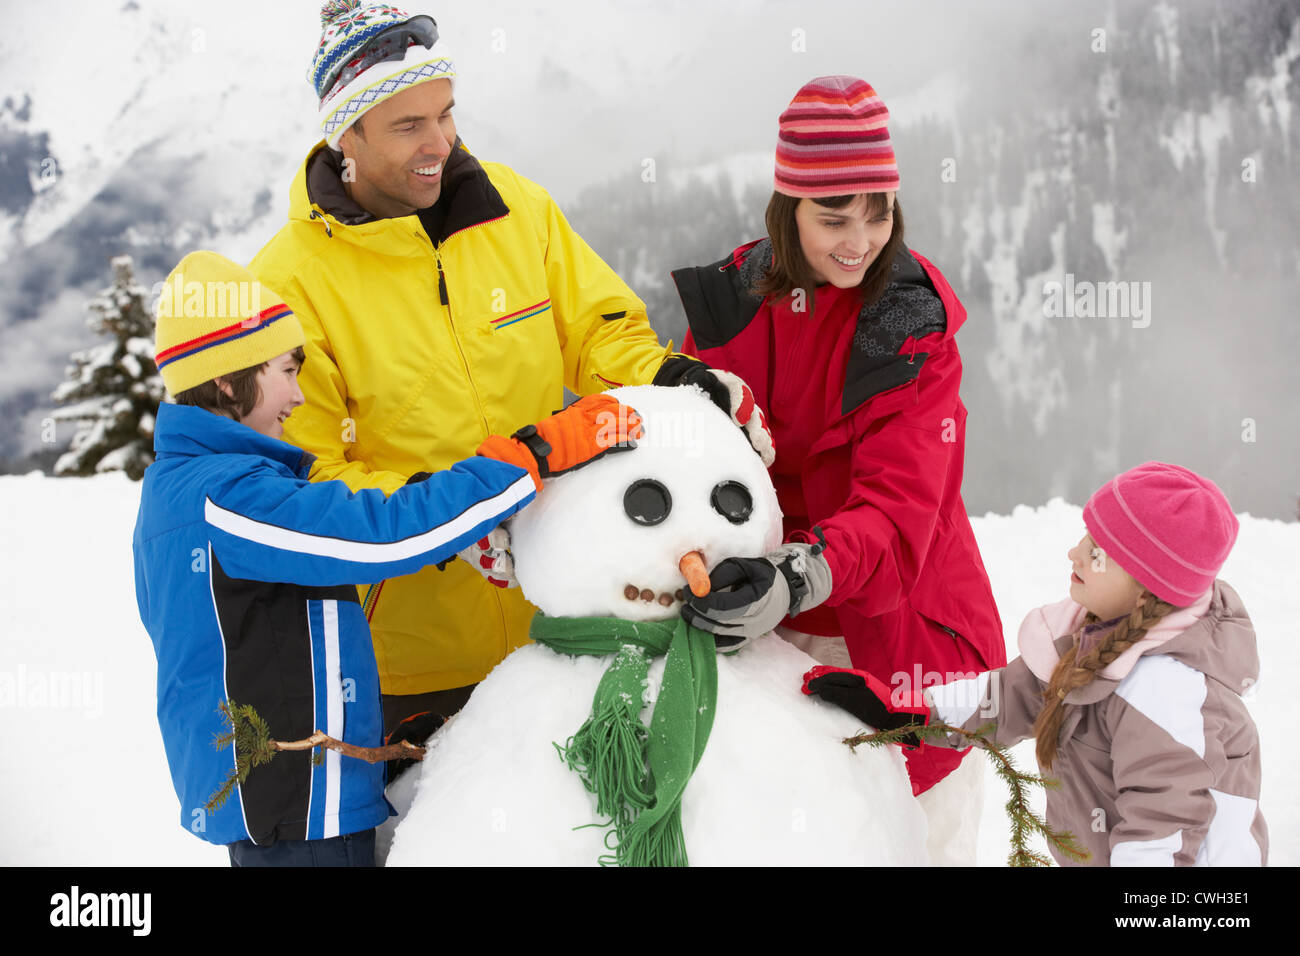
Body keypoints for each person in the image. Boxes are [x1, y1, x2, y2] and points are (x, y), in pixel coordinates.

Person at [249, 1, 763, 736]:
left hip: (559, 622)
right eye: (408, 126)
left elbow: (597, 330)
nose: (441, 143)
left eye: (446, 115)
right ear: (346, 137)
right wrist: (456, 513)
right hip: (410, 662)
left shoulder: (514, 210)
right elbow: (309, 477)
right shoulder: (289, 286)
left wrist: (671, 380)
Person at [132, 251, 641, 865]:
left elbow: (264, 628)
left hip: (284, 788)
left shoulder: (185, 487)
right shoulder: (229, 497)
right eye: (285, 372)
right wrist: (530, 454)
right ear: (225, 379)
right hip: (296, 804)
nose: (297, 396)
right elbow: (382, 533)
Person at [674, 76, 1005, 864]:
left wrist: (797, 574)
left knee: (927, 841)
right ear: (788, 209)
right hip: (770, 638)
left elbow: (896, 517)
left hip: (902, 628)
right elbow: (691, 463)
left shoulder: (909, 323)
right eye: (834, 216)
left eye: (878, 211)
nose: (860, 238)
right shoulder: (731, 311)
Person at [805, 461, 1268, 866]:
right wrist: (904, 710)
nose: (1075, 553)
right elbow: (1010, 697)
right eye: (1085, 538)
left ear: (1147, 588)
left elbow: (1160, 837)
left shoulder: (1168, 693)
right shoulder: (1094, 633)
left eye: (1097, 552)